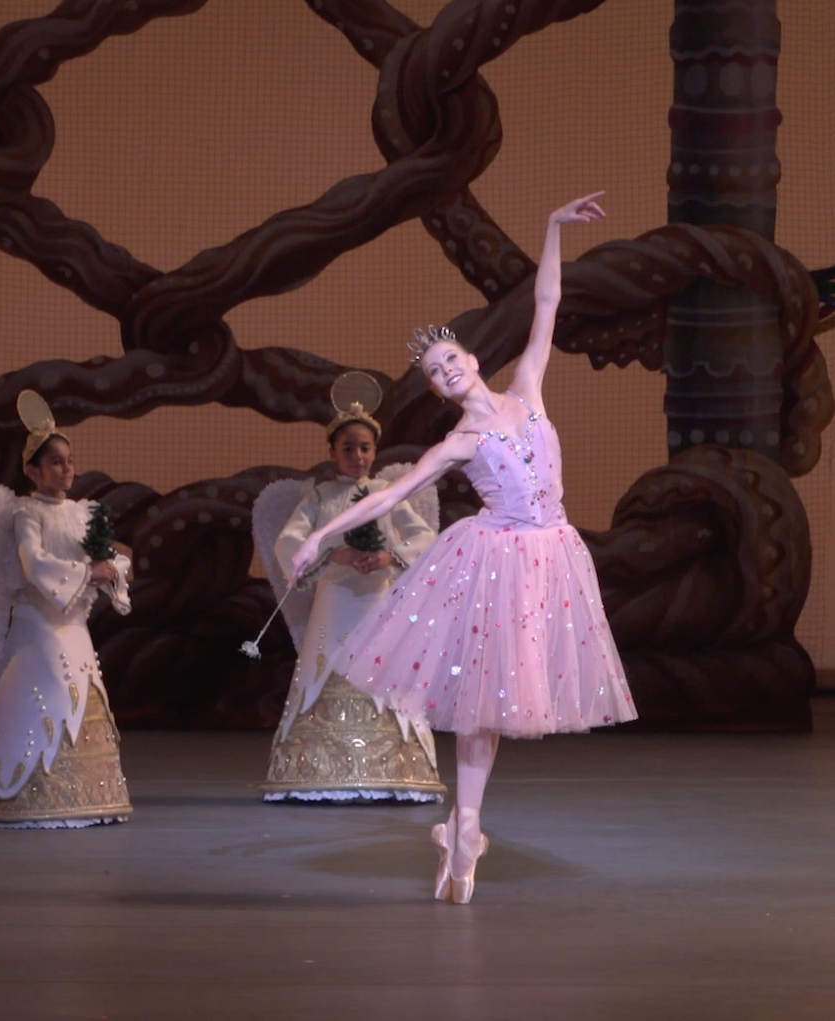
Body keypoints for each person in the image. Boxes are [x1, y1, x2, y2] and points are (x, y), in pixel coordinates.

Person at [291, 193, 636, 904]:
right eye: (433, 372)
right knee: (485, 702)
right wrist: (321, 535)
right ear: (439, 391)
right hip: (496, 559)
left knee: (509, 699)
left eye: (451, 358)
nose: (445, 370)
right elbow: (387, 495)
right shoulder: (458, 441)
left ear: (473, 359)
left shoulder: (529, 390)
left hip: (550, 556)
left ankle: (461, 829)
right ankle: (467, 826)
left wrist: (548, 226)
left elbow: (546, 305)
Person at [253, 372, 445, 802]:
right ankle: (314, 767)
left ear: (375, 452)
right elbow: (290, 541)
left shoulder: (390, 495)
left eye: (364, 448)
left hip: (379, 600)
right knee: (327, 666)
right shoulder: (320, 497)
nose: (357, 456)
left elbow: (424, 540)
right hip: (335, 600)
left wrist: (389, 556)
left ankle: (396, 768)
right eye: (348, 448)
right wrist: (330, 554)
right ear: (333, 453)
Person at [0, 390, 133, 827]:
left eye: (69, 461)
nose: (65, 468)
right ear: (33, 470)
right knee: (47, 688)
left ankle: (85, 793)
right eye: (55, 462)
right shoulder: (25, 512)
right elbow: (32, 563)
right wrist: (84, 572)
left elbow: (113, 556)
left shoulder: (83, 513)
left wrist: (111, 569)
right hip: (38, 623)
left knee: (81, 693)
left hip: (73, 625)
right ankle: (19, 794)